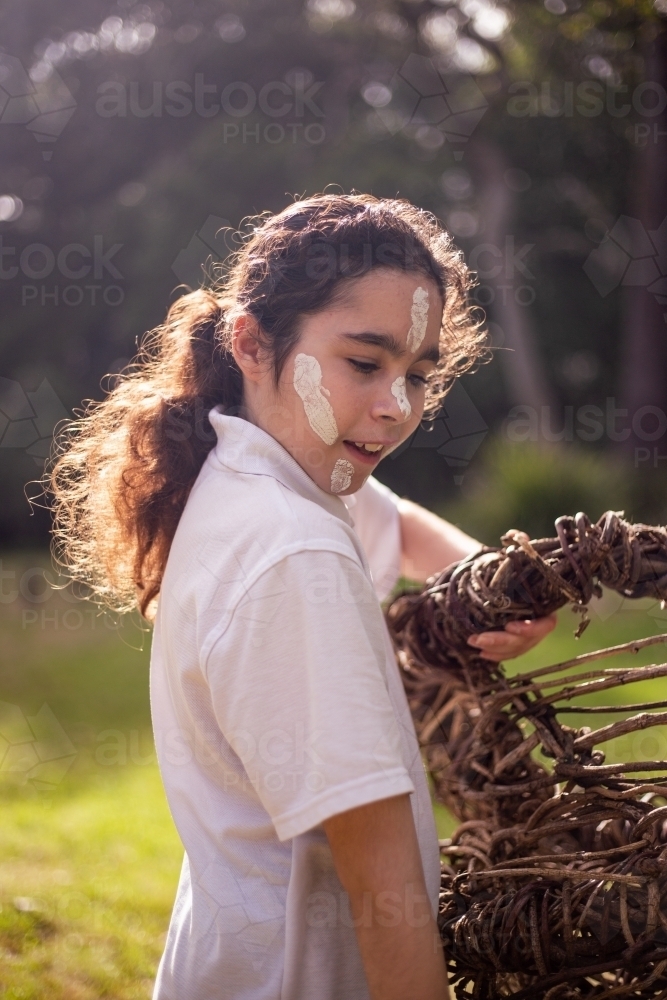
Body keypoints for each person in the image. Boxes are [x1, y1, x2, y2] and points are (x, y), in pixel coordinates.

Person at [48, 193, 556, 1000]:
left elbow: (401, 524)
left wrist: (501, 589)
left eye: (417, 375)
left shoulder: (267, 476)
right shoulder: (295, 553)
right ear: (251, 343)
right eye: (364, 362)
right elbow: (382, 892)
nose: (395, 407)